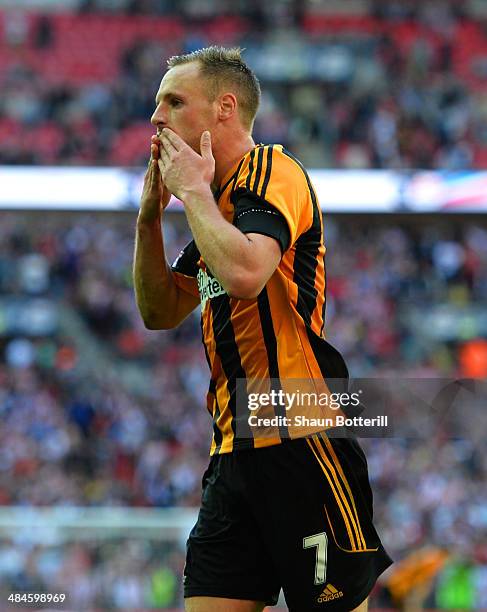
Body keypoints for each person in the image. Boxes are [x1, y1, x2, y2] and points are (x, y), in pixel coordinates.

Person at [133, 46, 392, 612]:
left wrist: (194, 194)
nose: (156, 119)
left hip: (303, 447)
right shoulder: (215, 209)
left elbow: (248, 272)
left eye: (173, 102)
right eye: (157, 105)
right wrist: (151, 216)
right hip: (233, 454)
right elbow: (160, 311)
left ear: (224, 108)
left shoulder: (273, 170)